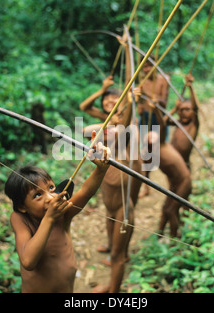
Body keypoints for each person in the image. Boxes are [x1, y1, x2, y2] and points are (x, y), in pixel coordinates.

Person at [79, 36, 143, 293]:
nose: (110, 108)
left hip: (124, 205)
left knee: (119, 255)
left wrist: (127, 48)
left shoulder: (123, 128)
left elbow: (124, 123)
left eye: (115, 106)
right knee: (113, 238)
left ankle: (114, 289)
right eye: (107, 105)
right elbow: (86, 128)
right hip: (109, 200)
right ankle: (115, 260)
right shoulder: (104, 131)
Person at [5, 142, 111, 293]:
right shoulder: (20, 219)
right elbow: (28, 261)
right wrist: (49, 219)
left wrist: (100, 169)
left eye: (50, 188)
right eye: (37, 195)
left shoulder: (62, 213)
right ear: (22, 207)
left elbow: (85, 192)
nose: (50, 198)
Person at [143, 96, 192, 238]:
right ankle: (159, 235)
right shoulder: (150, 154)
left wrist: (156, 110)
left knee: (172, 210)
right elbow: (143, 172)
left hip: (184, 182)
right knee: (165, 209)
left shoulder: (163, 144)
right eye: (149, 136)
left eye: (154, 134)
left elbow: (161, 124)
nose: (152, 136)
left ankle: (173, 240)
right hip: (175, 184)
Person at [138, 57, 170, 197]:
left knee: (161, 150)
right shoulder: (141, 82)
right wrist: (140, 99)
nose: (147, 69)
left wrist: (155, 100)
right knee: (145, 152)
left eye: (150, 66)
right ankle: (146, 184)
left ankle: (170, 182)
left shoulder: (163, 79)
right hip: (145, 118)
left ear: (155, 66)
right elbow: (139, 103)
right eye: (144, 67)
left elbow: (164, 102)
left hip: (158, 118)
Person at [166, 73, 200, 169]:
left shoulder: (193, 125)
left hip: (184, 164)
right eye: (181, 110)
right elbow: (163, 122)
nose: (183, 113)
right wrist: (174, 109)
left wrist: (190, 87)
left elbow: (195, 108)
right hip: (173, 163)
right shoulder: (178, 123)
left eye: (187, 110)